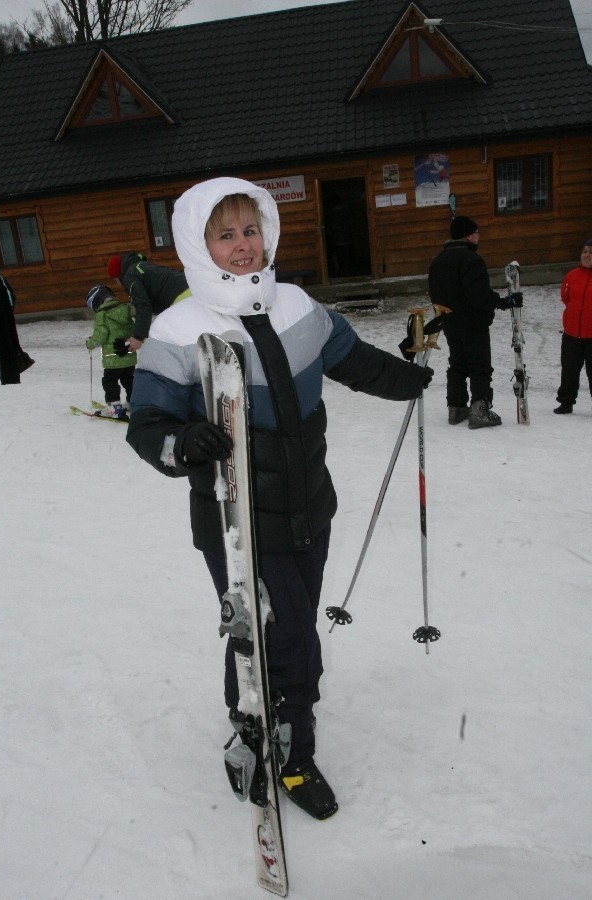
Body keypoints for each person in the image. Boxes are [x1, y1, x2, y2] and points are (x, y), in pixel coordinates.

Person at [125, 176, 433, 820]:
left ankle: (251, 720)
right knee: (284, 635)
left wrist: (410, 378)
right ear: (197, 243)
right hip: (234, 518)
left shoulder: (297, 305)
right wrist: (186, 440)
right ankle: (292, 753)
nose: (243, 246)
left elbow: (355, 362)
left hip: (308, 506)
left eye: (250, 230)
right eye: (225, 235)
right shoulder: (180, 328)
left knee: (266, 631)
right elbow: (146, 425)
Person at [428, 215, 522, 429]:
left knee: (457, 364)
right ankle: (479, 410)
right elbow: (478, 294)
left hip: (449, 322)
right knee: (479, 366)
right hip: (473, 322)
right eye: (477, 232)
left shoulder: (437, 262)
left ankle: (456, 408)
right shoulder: (471, 260)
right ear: (469, 235)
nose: (479, 236)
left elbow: (434, 294)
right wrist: (503, 302)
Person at [107, 251, 190, 350]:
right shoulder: (141, 267)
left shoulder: (129, 276)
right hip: (190, 287)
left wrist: (137, 337)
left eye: (115, 280)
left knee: (182, 341)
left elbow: (143, 305)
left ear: (118, 275)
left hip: (181, 297)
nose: (117, 284)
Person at [85, 284, 136, 419]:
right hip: (128, 354)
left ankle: (114, 408)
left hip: (112, 358)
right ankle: (134, 403)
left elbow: (101, 336)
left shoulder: (102, 315)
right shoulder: (124, 309)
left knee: (110, 382)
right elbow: (132, 329)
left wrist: (90, 343)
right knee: (129, 380)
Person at [554, 238, 592, 414]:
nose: (587, 255)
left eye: (591, 252)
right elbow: (565, 298)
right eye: (584, 251)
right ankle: (566, 402)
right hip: (571, 334)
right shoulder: (572, 276)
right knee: (569, 371)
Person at [0, 265, 35, 385]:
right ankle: (11, 384)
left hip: (1, 324)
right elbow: (12, 298)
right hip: (3, 326)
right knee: (7, 354)